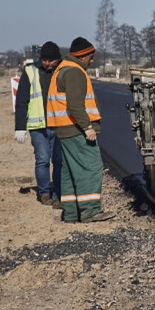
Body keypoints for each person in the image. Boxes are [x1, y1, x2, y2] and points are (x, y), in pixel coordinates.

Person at [47, 37, 110, 223]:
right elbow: (75, 105)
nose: (92, 61)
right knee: (90, 167)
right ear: (82, 56)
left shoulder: (62, 69)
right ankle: (90, 210)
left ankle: (71, 213)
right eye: (90, 57)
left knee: (69, 170)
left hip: (63, 129)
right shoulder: (74, 72)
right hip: (75, 129)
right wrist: (87, 127)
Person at [14, 41, 63, 207]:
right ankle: (44, 193)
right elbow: (21, 101)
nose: (47, 63)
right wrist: (20, 127)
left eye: (51, 60)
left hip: (58, 124)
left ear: (58, 60)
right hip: (38, 126)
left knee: (59, 161)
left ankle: (58, 194)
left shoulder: (63, 71)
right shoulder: (30, 72)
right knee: (42, 159)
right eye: (44, 60)